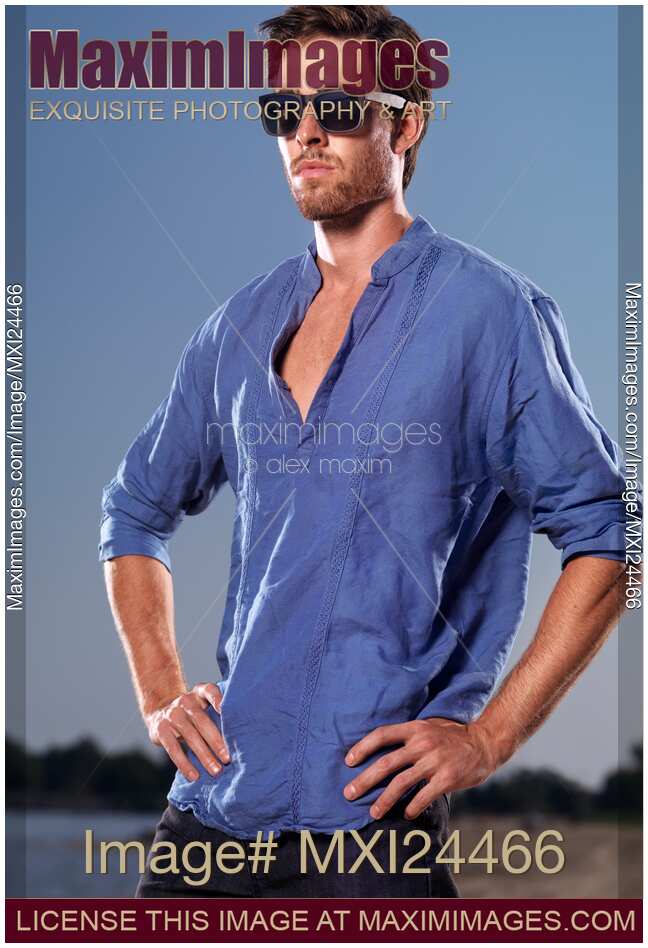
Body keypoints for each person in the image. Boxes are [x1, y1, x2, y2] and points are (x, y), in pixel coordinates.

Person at [99, 6, 634, 898]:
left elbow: (610, 534)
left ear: (406, 123)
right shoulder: (233, 328)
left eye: (338, 108)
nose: (305, 131)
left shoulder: (489, 314)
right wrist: (160, 687)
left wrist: (490, 737)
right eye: (282, 111)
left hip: (371, 839)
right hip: (206, 823)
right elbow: (133, 508)